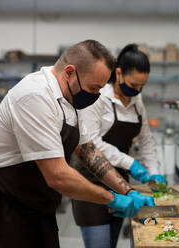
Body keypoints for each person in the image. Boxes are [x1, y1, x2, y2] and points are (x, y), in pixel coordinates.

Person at [0, 40, 154, 248]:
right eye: (93, 88)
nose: (96, 96)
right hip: (4, 214)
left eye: (100, 89)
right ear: (69, 72)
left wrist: (127, 191)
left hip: (39, 209)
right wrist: (112, 199)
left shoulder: (71, 98)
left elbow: (88, 151)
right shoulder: (35, 95)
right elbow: (57, 176)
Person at [71, 44, 166, 248]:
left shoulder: (137, 100)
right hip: (91, 180)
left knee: (111, 243)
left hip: (120, 183)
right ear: (119, 73)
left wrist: (155, 172)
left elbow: (147, 140)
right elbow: (92, 144)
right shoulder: (98, 96)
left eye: (142, 86)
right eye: (133, 85)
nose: (137, 90)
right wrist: (131, 163)